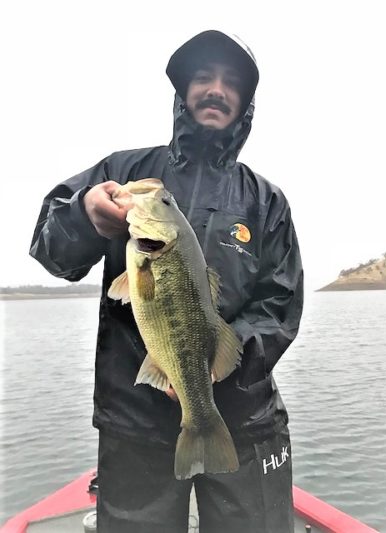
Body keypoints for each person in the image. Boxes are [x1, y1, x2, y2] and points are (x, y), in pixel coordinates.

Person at [30, 30, 303, 533]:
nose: (216, 89)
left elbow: (279, 306)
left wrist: (214, 365)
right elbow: (50, 252)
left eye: (230, 82)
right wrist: (85, 215)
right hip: (134, 427)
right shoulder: (123, 174)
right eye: (203, 77)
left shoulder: (266, 201)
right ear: (182, 92)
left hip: (244, 421)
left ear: (245, 102)